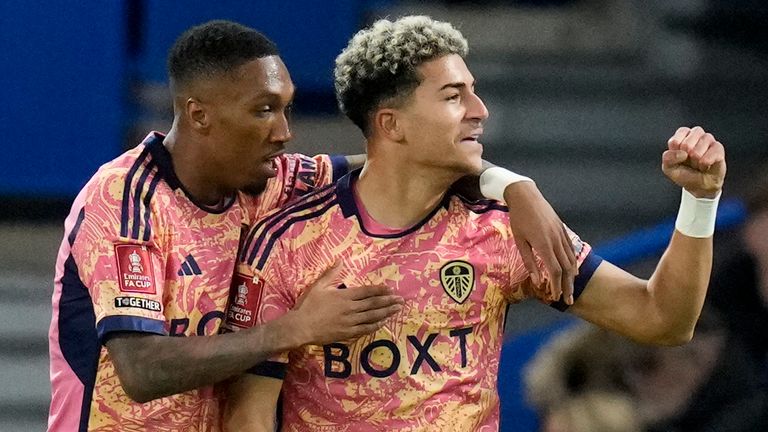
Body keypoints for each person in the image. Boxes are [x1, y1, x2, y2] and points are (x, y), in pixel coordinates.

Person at [47, 20, 575, 432]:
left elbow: (402, 160)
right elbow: (142, 370)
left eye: (286, 109)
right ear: (199, 114)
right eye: (263, 111)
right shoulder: (126, 199)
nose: (284, 132)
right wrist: (294, 329)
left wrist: (513, 186)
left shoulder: (271, 180)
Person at [222, 15, 726, 432]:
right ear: (390, 124)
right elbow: (248, 414)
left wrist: (700, 200)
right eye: (452, 96)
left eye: (474, 92)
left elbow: (662, 319)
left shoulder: (503, 230)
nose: (479, 112)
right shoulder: (290, 242)